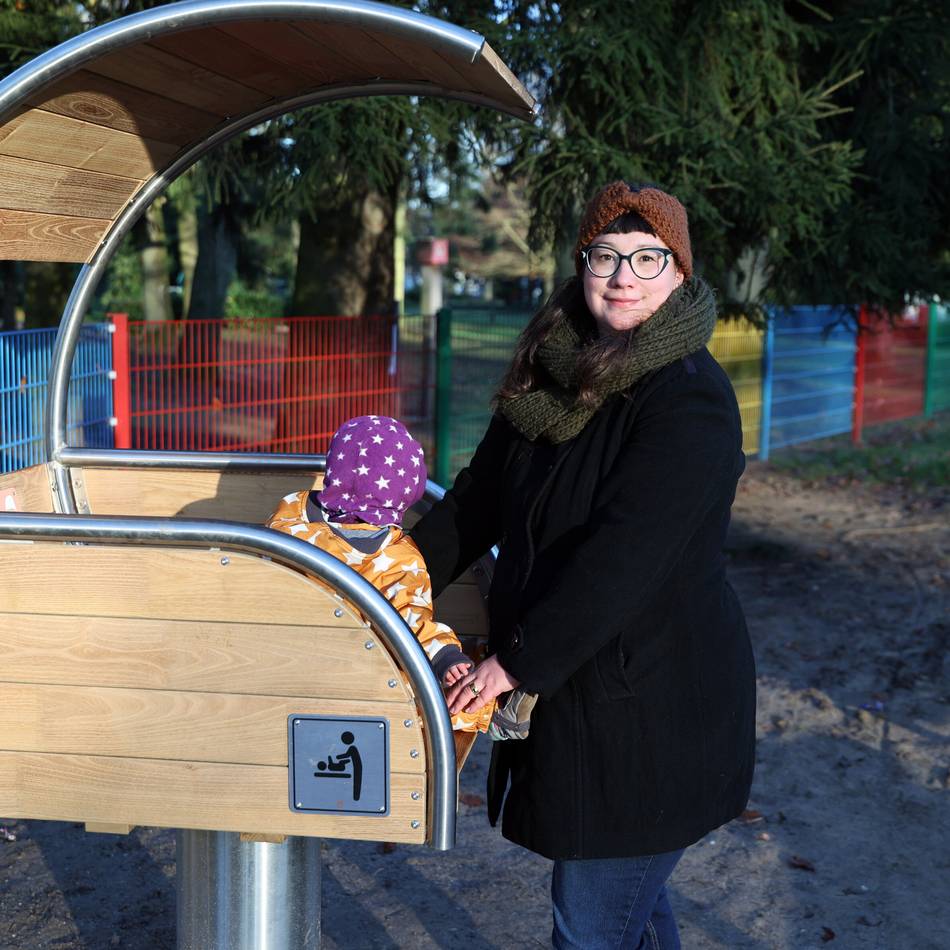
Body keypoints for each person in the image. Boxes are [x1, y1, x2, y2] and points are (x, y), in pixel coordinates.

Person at [410, 181, 756, 948]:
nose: (624, 276)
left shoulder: (689, 399)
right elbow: (475, 504)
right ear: (582, 264)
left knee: (593, 924)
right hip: (584, 694)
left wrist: (514, 663)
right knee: (626, 912)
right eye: (606, 256)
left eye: (647, 258)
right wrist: (385, 580)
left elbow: (624, 561)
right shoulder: (549, 376)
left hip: (651, 707)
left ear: (679, 273)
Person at [266, 414, 495, 745]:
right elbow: (413, 618)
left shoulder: (292, 517)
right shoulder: (399, 557)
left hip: (283, 660)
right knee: (445, 704)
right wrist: (445, 656)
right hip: (361, 673)